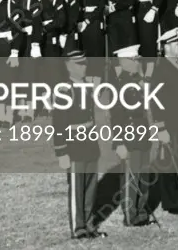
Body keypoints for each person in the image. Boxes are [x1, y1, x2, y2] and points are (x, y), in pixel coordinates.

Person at [53, 48, 103, 239]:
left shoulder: (87, 87)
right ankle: (78, 228)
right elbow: (58, 123)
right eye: (78, 64)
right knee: (77, 188)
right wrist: (61, 152)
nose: (83, 67)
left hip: (90, 141)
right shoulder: (65, 90)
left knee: (90, 187)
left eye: (84, 64)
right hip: (74, 144)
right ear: (68, 66)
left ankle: (90, 225)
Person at [151, 27, 178, 214]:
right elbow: (156, 101)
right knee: (170, 164)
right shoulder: (161, 69)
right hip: (170, 125)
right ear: (167, 47)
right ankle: (171, 202)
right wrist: (161, 127)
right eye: (176, 43)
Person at [111, 44, 154, 226]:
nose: (138, 62)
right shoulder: (119, 84)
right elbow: (115, 117)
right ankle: (130, 215)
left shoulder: (138, 81)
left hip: (142, 133)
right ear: (125, 61)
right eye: (134, 60)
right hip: (129, 135)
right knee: (131, 177)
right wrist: (118, 142)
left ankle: (142, 212)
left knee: (143, 176)